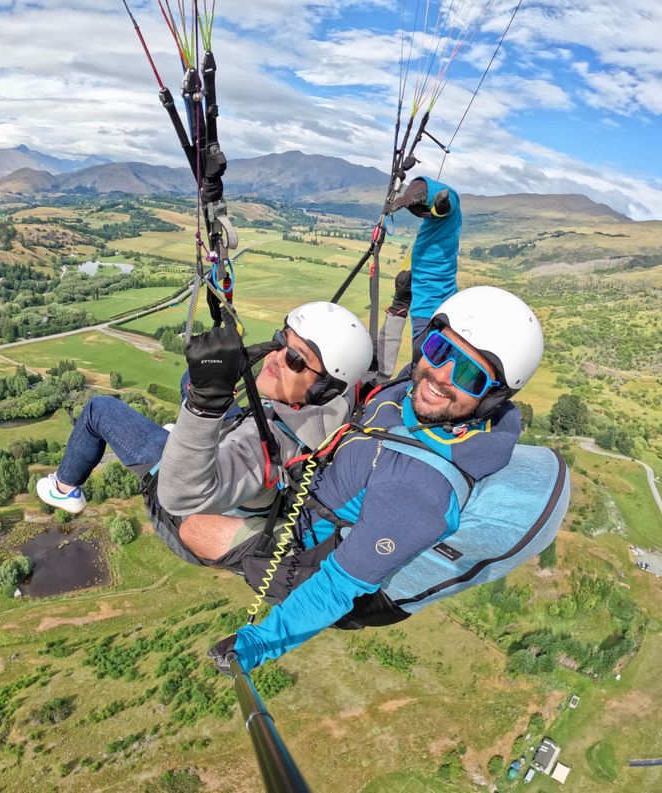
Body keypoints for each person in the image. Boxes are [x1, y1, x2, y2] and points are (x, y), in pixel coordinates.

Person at [164, 178, 545, 672]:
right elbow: (436, 282)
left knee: (191, 525)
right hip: (326, 491)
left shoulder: (421, 488)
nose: (441, 376)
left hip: (316, 555)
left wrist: (260, 643)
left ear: (492, 395)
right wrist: (442, 210)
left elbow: (336, 587)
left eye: (470, 374)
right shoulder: (421, 384)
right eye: (437, 350)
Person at [36, 301, 374, 562]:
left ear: (322, 388)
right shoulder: (339, 400)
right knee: (190, 379)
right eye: (280, 342)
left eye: (296, 360)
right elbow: (376, 366)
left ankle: (64, 489)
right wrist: (398, 311)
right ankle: (198, 424)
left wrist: (204, 407)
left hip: (191, 496)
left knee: (100, 410)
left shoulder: (263, 449)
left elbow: (180, 495)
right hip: (250, 442)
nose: (275, 359)